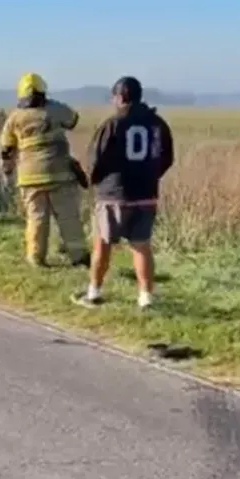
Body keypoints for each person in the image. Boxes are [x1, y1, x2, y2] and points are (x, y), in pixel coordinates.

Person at [74, 76, 175, 310]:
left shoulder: (112, 123)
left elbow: (95, 160)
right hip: (146, 194)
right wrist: (151, 176)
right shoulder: (158, 123)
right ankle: (146, 297)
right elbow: (167, 157)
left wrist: (93, 182)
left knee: (102, 244)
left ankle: (94, 293)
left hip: (113, 195)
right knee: (142, 246)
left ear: (119, 97)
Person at [0, 72, 88, 267]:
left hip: (29, 178)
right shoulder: (56, 109)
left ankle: (36, 259)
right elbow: (74, 120)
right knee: (68, 217)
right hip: (60, 174)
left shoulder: (14, 117)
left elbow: (6, 149)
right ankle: (79, 257)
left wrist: (7, 172)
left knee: (36, 218)